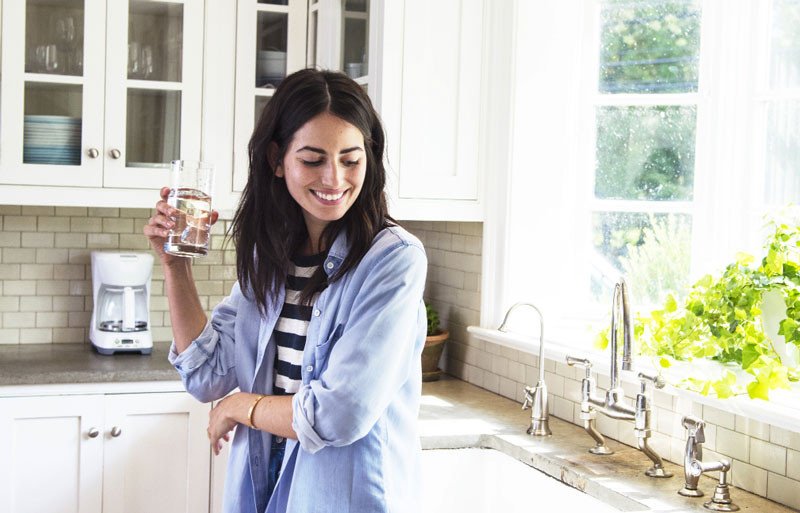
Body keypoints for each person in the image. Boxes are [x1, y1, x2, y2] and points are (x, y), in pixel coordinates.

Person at [144, 69, 427, 513]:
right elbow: (207, 374)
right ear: (278, 159)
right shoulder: (270, 258)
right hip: (262, 491)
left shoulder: (393, 260)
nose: (334, 179)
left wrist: (241, 406)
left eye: (350, 160)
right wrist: (175, 266)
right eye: (313, 160)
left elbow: (340, 413)